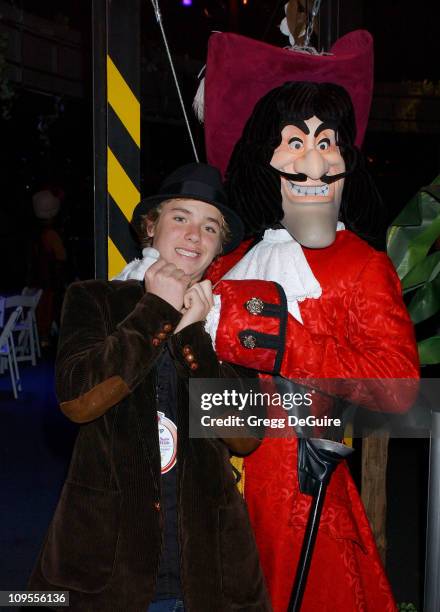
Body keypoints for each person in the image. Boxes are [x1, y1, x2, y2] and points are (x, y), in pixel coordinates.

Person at [203, 81, 419, 611]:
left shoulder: (362, 266)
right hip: (213, 482)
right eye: (295, 142)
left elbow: (398, 387)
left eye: (328, 143)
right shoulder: (232, 262)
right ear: (264, 160)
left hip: (299, 491)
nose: (315, 162)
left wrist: (284, 344)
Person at [28, 163, 271, 612]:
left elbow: (245, 434)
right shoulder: (94, 298)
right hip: (107, 566)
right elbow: (79, 400)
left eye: (210, 227)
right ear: (150, 227)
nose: (194, 235)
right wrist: (157, 309)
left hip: (209, 569)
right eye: (180, 217)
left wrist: (194, 334)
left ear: (218, 247)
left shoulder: (228, 321)